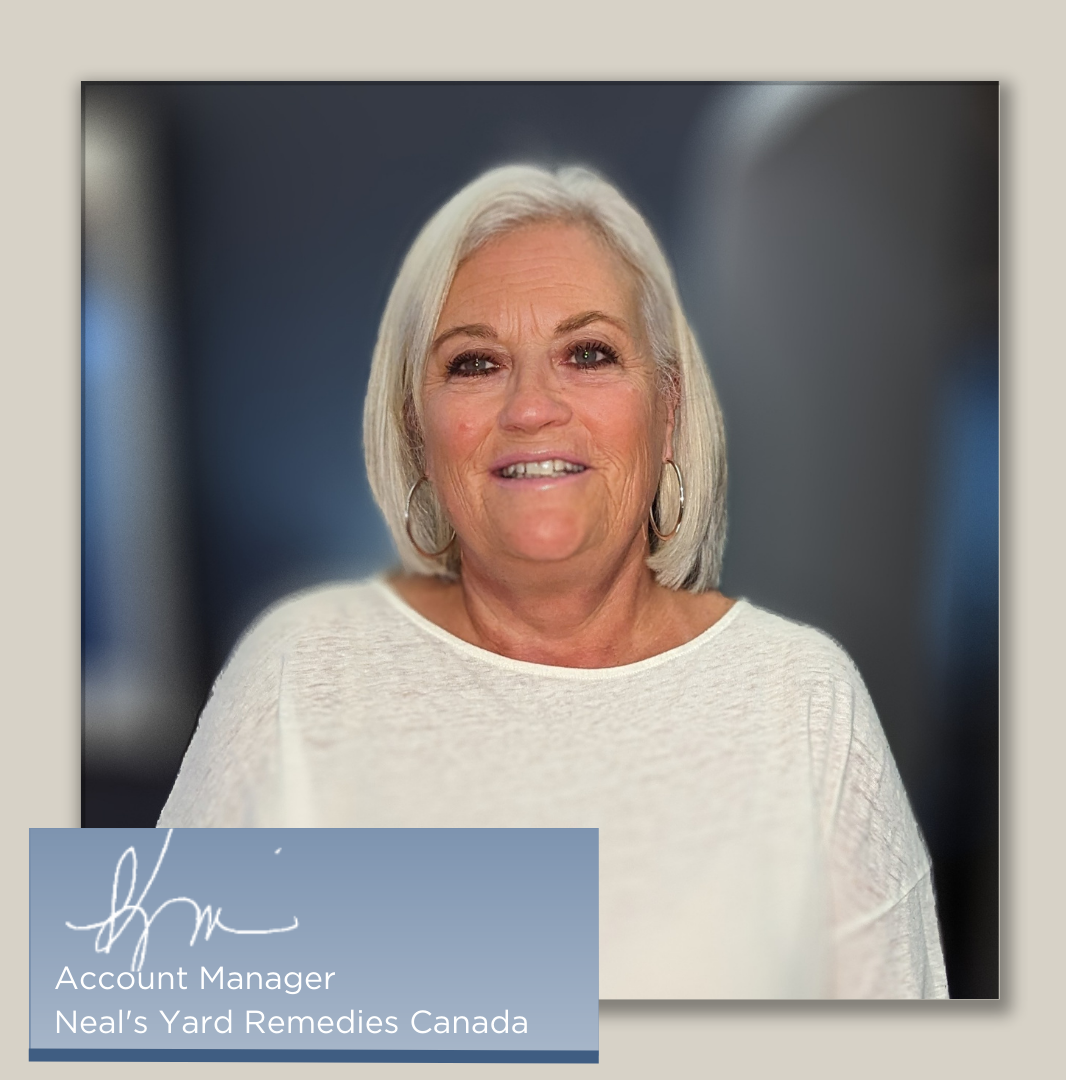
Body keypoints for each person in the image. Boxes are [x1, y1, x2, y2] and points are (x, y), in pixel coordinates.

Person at [158, 164, 948, 999]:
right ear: (416, 428)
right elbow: (138, 1010)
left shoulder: (804, 698)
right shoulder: (301, 665)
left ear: (668, 409)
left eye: (589, 353)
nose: (532, 406)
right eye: (474, 364)